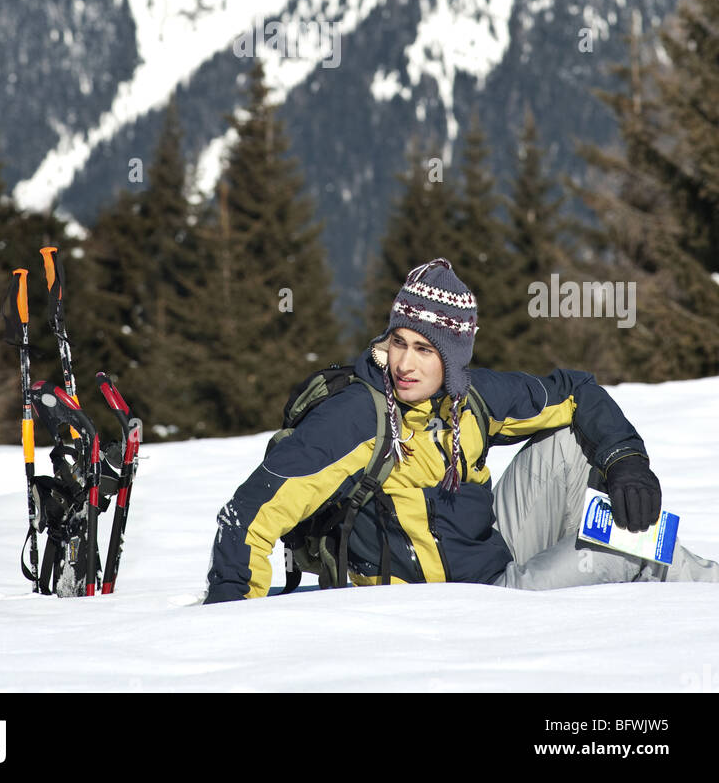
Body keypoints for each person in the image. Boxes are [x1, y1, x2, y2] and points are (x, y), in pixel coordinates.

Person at [203, 258, 719, 602]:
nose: (404, 363)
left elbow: (576, 391)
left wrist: (627, 461)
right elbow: (245, 515)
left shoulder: (468, 399)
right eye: (399, 342)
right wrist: (235, 629)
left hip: (489, 555)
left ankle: (690, 577)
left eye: (424, 350)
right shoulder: (358, 417)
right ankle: (703, 591)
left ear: (452, 361)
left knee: (568, 441)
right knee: (631, 547)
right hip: (461, 605)